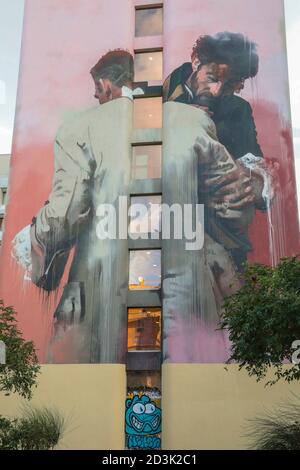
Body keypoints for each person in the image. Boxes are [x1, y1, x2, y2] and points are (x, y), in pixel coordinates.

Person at [28, 50, 136, 363]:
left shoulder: (80, 128)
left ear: (105, 85)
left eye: (97, 91)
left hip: (95, 277)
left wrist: (32, 238)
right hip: (163, 276)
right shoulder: (179, 119)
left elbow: (66, 211)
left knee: (76, 372)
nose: (96, 97)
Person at [163, 32, 271, 269]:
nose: (216, 91)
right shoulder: (156, 97)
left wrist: (255, 184)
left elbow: (257, 168)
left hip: (221, 239)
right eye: (211, 77)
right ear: (195, 61)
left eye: (229, 83)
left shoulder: (238, 109)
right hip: (162, 228)